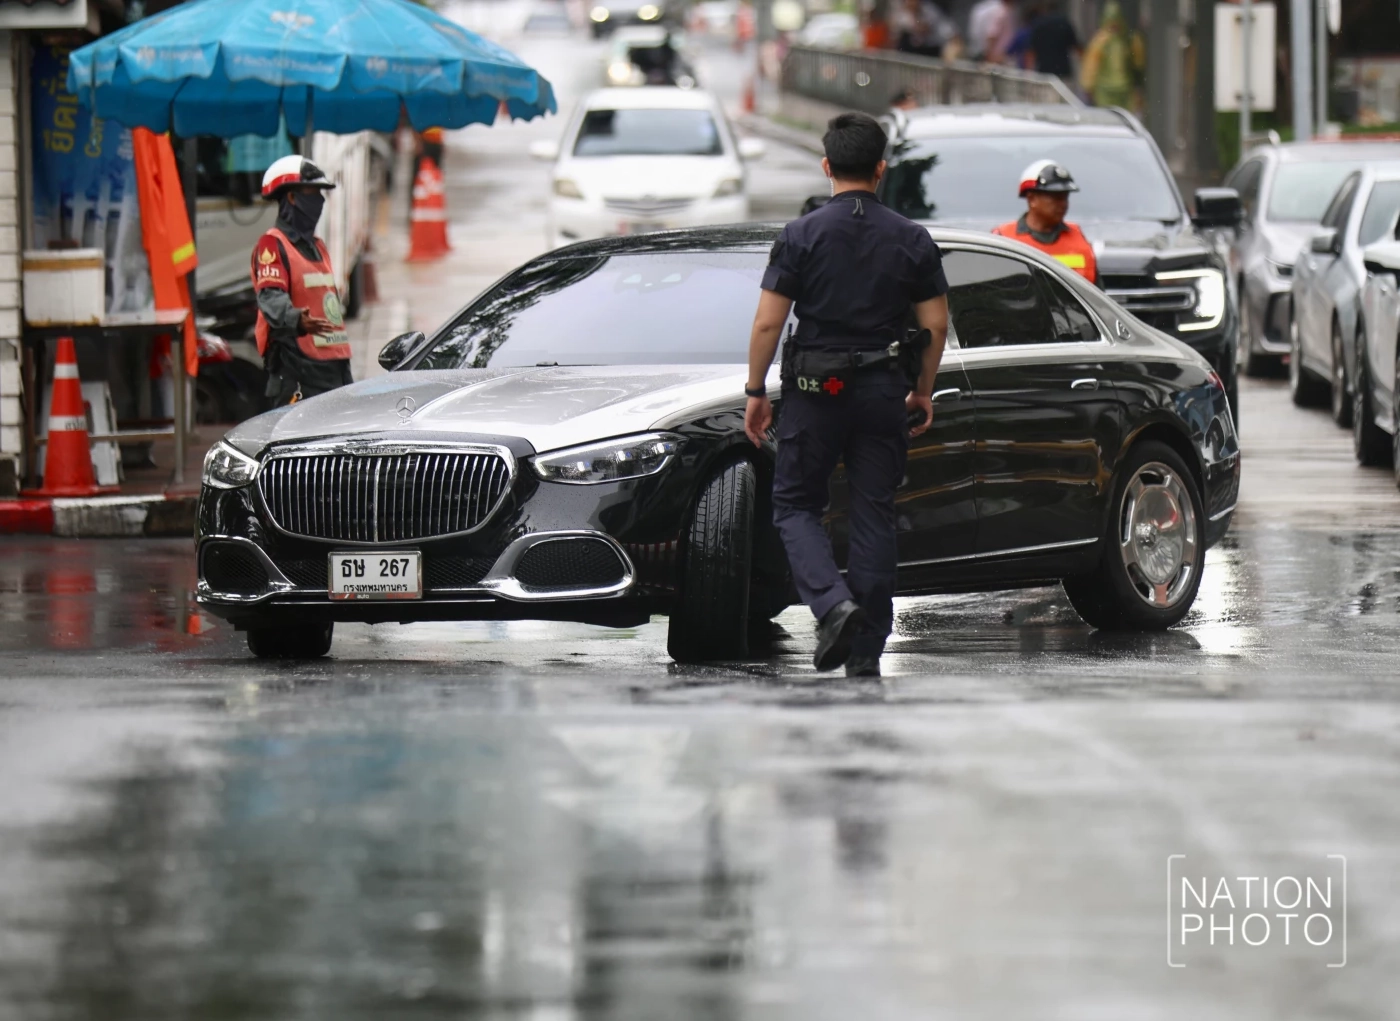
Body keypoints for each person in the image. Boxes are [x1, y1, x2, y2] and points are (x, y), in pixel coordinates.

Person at [742, 113, 950, 677]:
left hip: (816, 388)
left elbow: (767, 323)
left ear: (827, 166)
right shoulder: (911, 238)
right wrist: (922, 391)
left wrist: (756, 390)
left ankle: (833, 606)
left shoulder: (801, 235)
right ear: (881, 170)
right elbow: (935, 323)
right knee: (874, 512)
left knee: (795, 504)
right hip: (884, 387)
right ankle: (866, 651)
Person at [251, 155, 352, 406]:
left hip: (334, 369)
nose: (318, 201)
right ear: (292, 198)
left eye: (320, 194)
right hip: (298, 372)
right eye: (311, 193)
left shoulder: (319, 247)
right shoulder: (272, 246)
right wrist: (297, 319)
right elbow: (271, 297)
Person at [991, 159, 1097, 283]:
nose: (1063, 204)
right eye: (1055, 197)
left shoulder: (1078, 237)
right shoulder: (1003, 238)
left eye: (1065, 197)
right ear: (1032, 199)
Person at [1081, 1, 1145, 110]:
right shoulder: (1106, 40)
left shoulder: (1104, 40)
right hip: (1111, 89)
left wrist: (1088, 86)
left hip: (1121, 89)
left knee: (1115, 118)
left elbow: (1090, 65)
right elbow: (1091, 66)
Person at [1026, 0, 1080, 81]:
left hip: (1044, 73)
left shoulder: (1038, 25)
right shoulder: (1064, 23)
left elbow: (1031, 53)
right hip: (1063, 73)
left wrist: (1029, 74)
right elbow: (1077, 48)